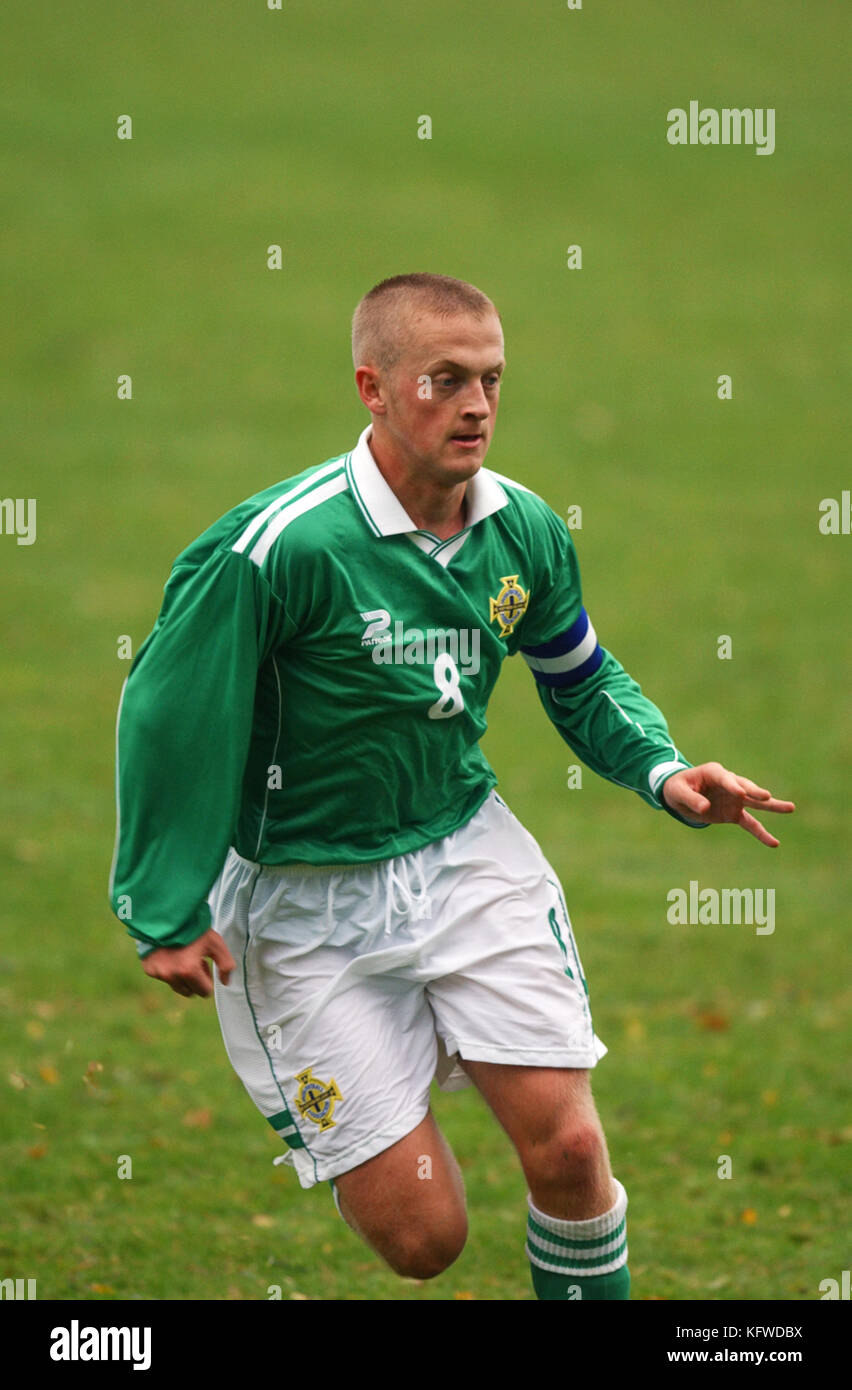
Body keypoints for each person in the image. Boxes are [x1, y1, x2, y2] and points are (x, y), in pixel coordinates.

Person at [109, 272, 794, 1300]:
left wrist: (662, 766)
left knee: (569, 1151)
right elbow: (168, 712)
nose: (475, 405)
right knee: (426, 1239)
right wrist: (163, 910)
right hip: (303, 899)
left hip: (461, 856)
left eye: (491, 380)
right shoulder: (279, 546)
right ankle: (388, 1057)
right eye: (445, 380)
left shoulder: (522, 529)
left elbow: (581, 676)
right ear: (372, 387)